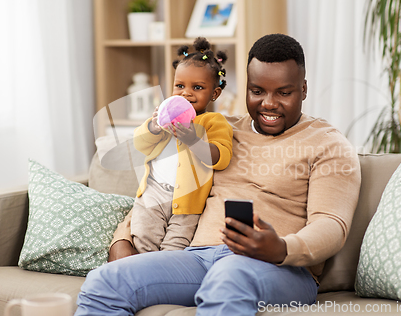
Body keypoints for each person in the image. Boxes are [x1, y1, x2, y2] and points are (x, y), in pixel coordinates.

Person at [75, 34, 361, 315]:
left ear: (304, 89)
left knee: (228, 276)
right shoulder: (216, 130)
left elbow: (331, 225)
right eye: (257, 91)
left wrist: (282, 248)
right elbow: (162, 184)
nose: (269, 104)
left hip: (279, 267)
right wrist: (122, 239)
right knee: (104, 282)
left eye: (284, 92)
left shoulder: (328, 144)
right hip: (197, 257)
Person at [130, 37, 233, 253]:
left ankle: (164, 276)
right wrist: (154, 126)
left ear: (214, 93)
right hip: (154, 191)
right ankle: (144, 272)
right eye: (179, 86)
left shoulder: (213, 121)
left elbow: (220, 157)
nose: (186, 93)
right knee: (142, 235)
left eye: (197, 87)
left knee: (175, 247)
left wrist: (193, 140)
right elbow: (140, 144)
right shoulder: (165, 118)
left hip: (189, 201)